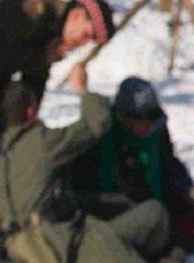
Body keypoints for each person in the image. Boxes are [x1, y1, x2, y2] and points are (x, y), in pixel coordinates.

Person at [0, 0, 114, 263]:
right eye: (86, 34)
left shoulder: (50, 29)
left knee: (8, 162)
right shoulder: (29, 10)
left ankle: (8, 237)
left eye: (89, 41)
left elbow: (33, 79)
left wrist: (29, 121)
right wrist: (41, 57)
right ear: (75, 15)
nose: (83, 43)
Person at [0, 75, 180, 263]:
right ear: (30, 111)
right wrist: (82, 89)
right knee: (156, 213)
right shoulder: (43, 143)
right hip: (56, 246)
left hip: (18, 246)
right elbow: (95, 122)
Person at [71, 77, 194, 251]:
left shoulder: (155, 133)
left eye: (151, 119)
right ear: (122, 116)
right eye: (141, 120)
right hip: (115, 214)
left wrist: (185, 188)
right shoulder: (98, 137)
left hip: (157, 206)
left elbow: (169, 164)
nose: (147, 126)